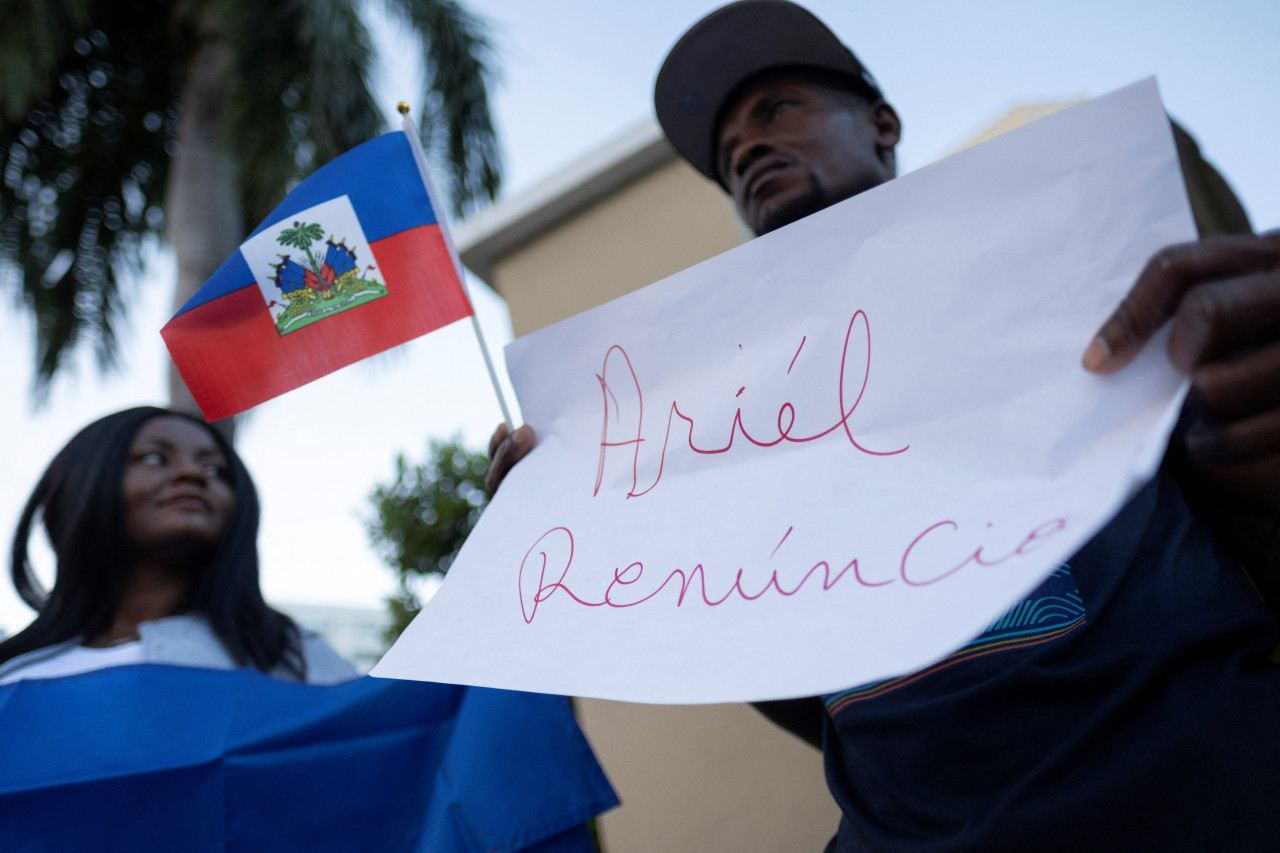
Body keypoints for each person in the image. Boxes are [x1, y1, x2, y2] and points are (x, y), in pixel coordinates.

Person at [487, 2, 1280, 850]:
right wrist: (608, 572)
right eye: (726, 156)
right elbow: (829, 704)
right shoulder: (741, 426)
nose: (746, 148)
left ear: (882, 121)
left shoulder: (1071, 245)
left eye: (777, 108)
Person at [0, 406, 354, 684]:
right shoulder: (14, 675)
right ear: (85, 484)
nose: (193, 474)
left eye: (215, 470)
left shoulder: (291, 657)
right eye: (155, 458)